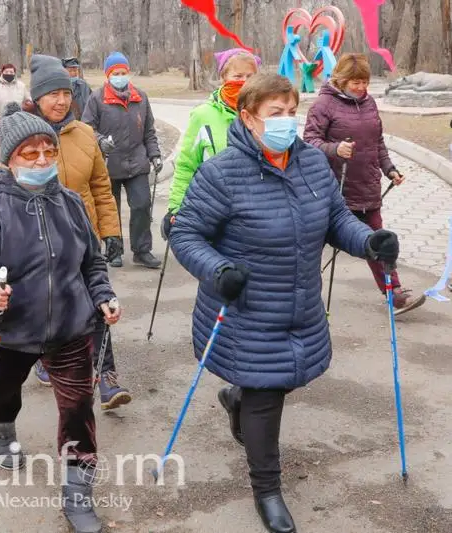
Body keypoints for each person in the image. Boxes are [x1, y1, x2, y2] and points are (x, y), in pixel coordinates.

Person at [169, 73, 401, 533]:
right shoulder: (222, 173)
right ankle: (267, 489)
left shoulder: (313, 163)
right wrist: (217, 270)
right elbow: (185, 233)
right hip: (245, 308)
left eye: (291, 112)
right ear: (248, 117)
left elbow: (336, 218)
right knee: (266, 396)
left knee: (284, 380)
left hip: (299, 304)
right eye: (275, 113)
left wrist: (369, 241)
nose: (286, 122)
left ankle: (236, 397)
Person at [0, 104, 121, 533]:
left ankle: (78, 493)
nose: (43, 160)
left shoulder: (70, 204)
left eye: (49, 151)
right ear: (9, 159)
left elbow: (92, 264)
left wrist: (102, 296)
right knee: (4, 392)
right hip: (8, 331)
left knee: (79, 408)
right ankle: (2, 431)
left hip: (70, 327)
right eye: (31, 153)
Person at [24, 54, 129, 409]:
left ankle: (107, 378)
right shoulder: (24, 136)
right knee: (48, 307)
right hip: (39, 241)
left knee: (99, 303)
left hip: (84, 238)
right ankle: (44, 356)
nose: (61, 100)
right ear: (37, 98)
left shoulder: (85, 134)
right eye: (52, 93)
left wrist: (111, 232)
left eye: (66, 92)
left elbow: (101, 186)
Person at [303, 53, 425, 316]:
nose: (360, 87)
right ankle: (299, 296)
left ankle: (395, 294)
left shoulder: (369, 103)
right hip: (332, 189)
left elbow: (377, 142)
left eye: (364, 82)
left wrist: (390, 170)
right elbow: (309, 141)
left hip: (367, 186)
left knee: (377, 241)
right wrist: (335, 148)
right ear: (342, 79)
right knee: (313, 247)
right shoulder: (323, 104)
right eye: (355, 82)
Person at [164, 48, 260, 236]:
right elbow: (186, 165)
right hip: (213, 209)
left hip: (255, 211)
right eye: (238, 75)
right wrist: (176, 208)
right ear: (224, 76)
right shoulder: (203, 115)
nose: (244, 82)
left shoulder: (264, 112)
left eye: (250, 76)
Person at [83, 51, 162, 269]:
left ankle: (142, 250)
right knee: (111, 208)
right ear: (108, 75)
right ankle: (114, 250)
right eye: (115, 73)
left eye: (123, 72)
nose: (120, 76)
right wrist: (99, 141)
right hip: (109, 163)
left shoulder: (141, 97)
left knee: (142, 205)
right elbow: (87, 127)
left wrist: (154, 155)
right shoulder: (96, 99)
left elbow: (149, 131)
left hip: (137, 161)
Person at [0, 63, 31, 162]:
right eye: (6, 72)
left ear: (15, 73)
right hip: (0, 122)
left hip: (18, 123)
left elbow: (28, 101)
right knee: (1, 149)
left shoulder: (21, 86)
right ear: (2, 72)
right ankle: (0, 169)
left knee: (17, 147)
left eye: (11, 72)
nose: (9, 73)